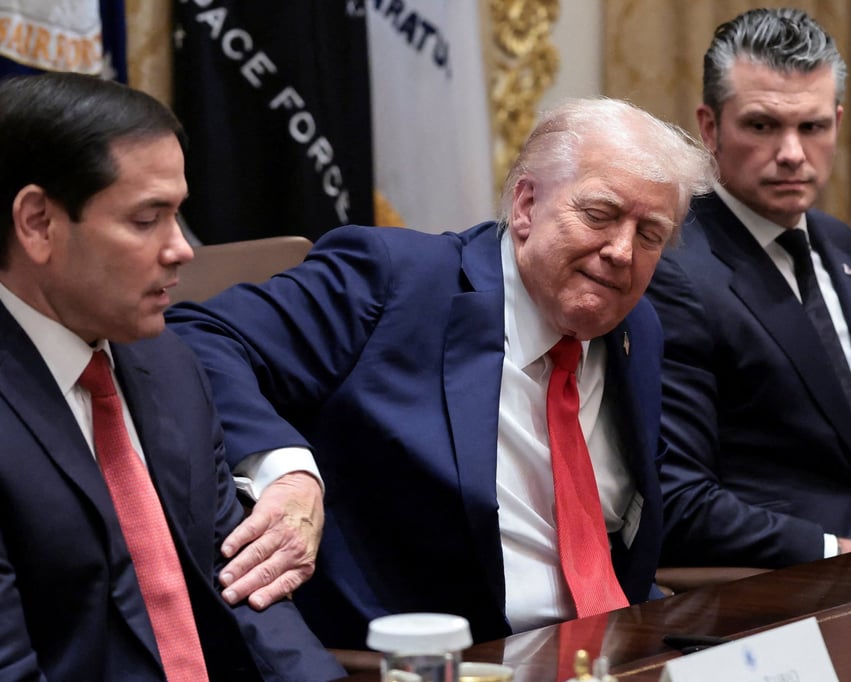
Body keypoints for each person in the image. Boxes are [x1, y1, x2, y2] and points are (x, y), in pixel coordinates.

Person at [166, 97, 716, 648]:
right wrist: (285, 471)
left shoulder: (635, 327)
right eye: (599, 214)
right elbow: (197, 337)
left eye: (650, 235)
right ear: (526, 204)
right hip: (448, 658)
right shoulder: (394, 280)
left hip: (615, 645)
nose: (622, 251)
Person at [0, 72, 344, 681]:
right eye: (148, 219)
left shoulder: (167, 361)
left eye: (178, 214)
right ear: (38, 223)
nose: (182, 249)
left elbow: (246, 593)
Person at [646, 7, 851, 570]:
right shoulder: (674, 269)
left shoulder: (842, 244)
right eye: (762, 125)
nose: (791, 153)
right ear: (710, 128)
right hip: (781, 584)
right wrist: (845, 554)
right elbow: (680, 500)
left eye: (812, 127)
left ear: (836, 121)